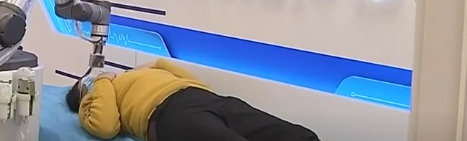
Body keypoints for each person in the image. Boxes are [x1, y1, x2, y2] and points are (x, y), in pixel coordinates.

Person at [65, 59, 320, 141]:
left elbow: (180, 73)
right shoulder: (94, 99)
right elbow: (106, 126)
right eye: (85, 81)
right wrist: (101, 82)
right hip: (167, 114)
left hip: (206, 100)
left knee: (298, 136)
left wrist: (154, 64)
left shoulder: (134, 74)